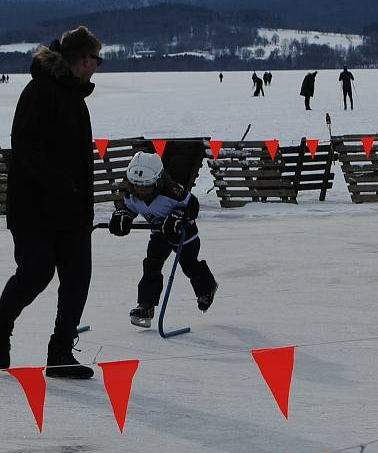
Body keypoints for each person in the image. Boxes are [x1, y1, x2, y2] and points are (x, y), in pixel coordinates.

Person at [0, 26, 102, 378]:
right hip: (34, 209)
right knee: (35, 273)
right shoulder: (41, 91)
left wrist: (80, 201)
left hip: (71, 211)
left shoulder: (72, 95)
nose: (95, 69)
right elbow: (25, 146)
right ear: (83, 60)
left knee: (78, 278)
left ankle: (59, 353)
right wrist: (62, 185)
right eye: (95, 61)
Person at [109, 151, 218, 328]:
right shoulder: (130, 193)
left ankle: (207, 288)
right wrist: (122, 215)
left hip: (184, 233)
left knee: (189, 265)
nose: (140, 191)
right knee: (151, 265)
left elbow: (193, 205)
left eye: (146, 186)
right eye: (136, 186)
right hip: (159, 234)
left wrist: (178, 216)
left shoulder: (172, 191)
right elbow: (127, 207)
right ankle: (146, 305)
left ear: (157, 181)